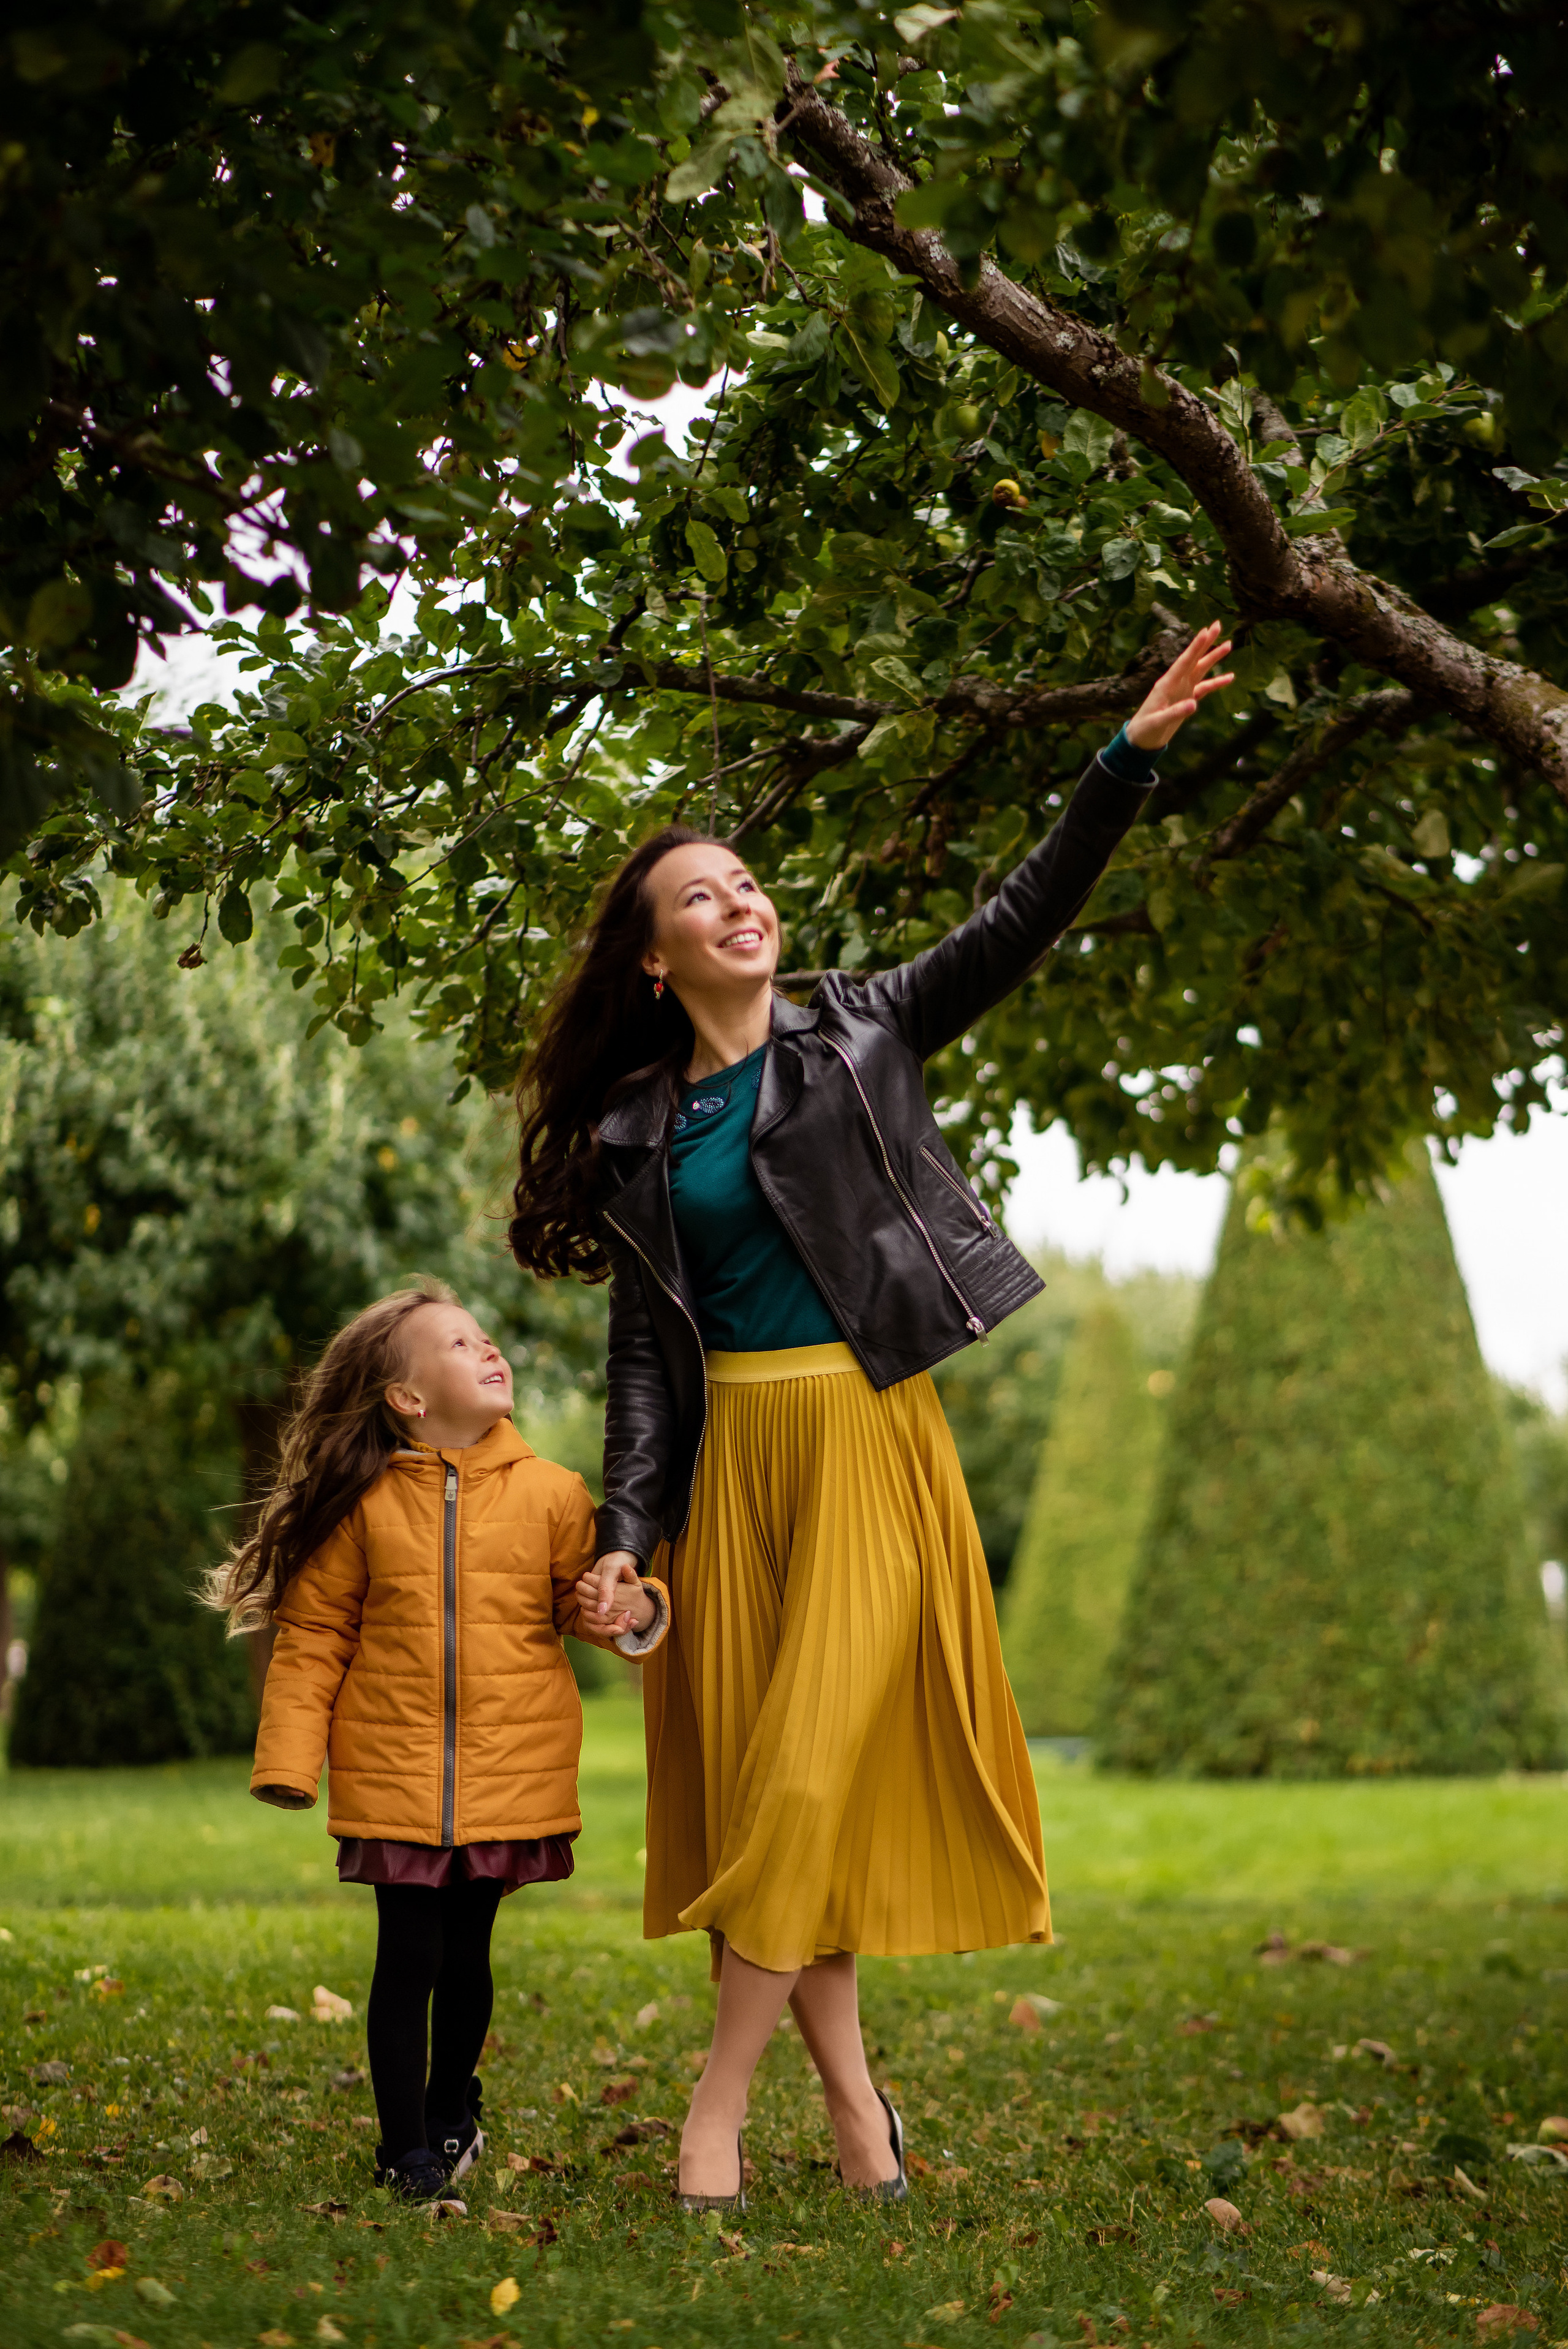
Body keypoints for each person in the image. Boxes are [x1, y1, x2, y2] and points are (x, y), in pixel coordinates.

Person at [508, 625, 1234, 2209]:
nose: (742, 900)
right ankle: (858, 2119)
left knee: (806, 1777)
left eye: (750, 880)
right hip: (736, 1476)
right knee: (787, 1788)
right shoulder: (640, 1134)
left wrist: (1126, 758)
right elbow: (648, 1365)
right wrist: (630, 1540)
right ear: (654, 958)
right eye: (703, 894)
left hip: (863, 1444)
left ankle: (713, 2117)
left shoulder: (864, 1026)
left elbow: (1019, 916)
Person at [206, 1282, 669, 2206]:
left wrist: (635, 1609)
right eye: (461, 1343)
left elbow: (594, 1609)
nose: (489, 1349)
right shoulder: (367, 1505)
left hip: (508, 1771)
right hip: (395, 1774)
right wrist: (290, 1762)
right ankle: (405, 2147)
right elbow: (317, 1634)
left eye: (486, 1336)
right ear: (408, 1399)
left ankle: (453, 2101)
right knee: (406, 1958)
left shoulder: (551, 1492)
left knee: (469, 1958)